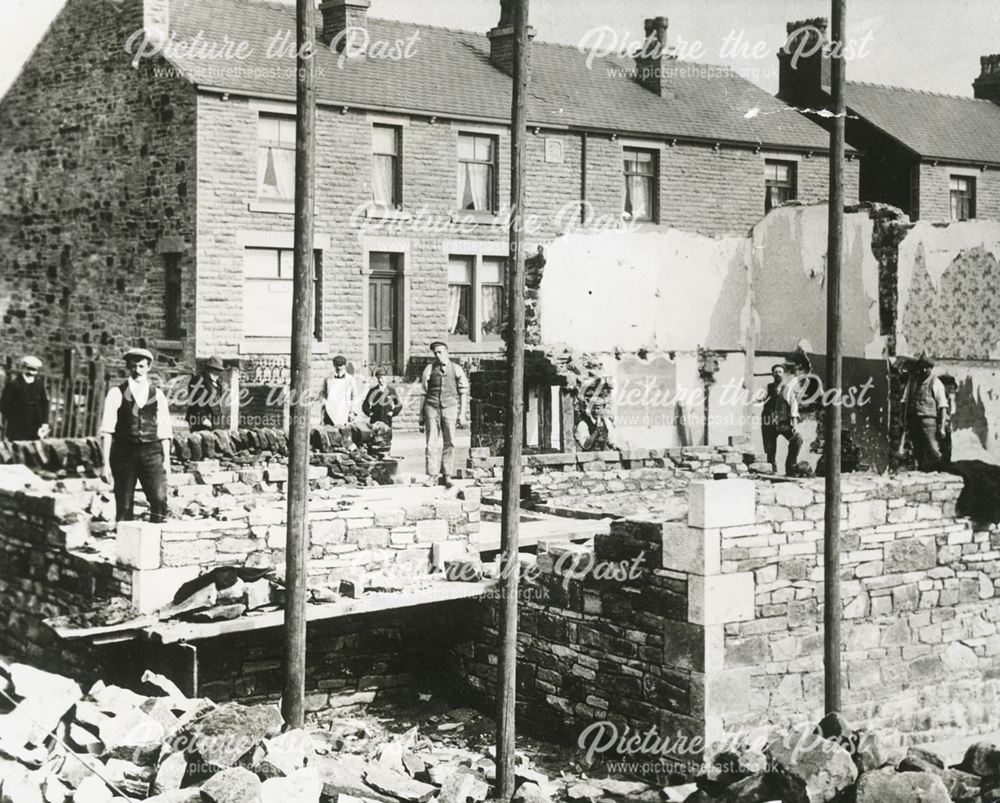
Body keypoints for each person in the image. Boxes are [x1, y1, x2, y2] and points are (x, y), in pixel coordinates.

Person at [99, 348, 172, 524]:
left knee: (159, 499)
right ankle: (126, 548)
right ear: (128, 367)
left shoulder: (158, 395)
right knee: (124, 506)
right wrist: (105, 464)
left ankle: (156, 543)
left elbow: (164, 430)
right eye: (133, 366)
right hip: (124, 453)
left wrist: (167, 460)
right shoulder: (116, 393)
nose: (137, 370)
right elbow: (107, 431)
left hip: (152, 453)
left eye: (141, 366)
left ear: (148, 367)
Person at [420, 341, 469, 488]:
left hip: (450, 407)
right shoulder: (429, 369)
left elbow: (463, 392)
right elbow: (423, 393)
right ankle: (432, 475)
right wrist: (420, 416)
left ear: (447, 352)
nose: (438, 355)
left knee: (450, 442)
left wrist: (462, 414)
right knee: (430, 443)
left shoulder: (456, 369)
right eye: (435, 353)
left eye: (440, 352)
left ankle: (447, 475)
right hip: (431, 407)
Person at [902, 353, 950, 470]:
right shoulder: (913, 381)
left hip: (928, 420)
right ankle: (920, 469)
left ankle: (941, 469)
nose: (923, 370)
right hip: (913, 418)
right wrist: (902, 419)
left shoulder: (936, 382)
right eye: (921, 367)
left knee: (933, 446)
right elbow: (905, 401)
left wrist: (942, 426)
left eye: (926, 367)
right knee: (916, 445)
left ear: (930, 368)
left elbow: (943, 406)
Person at [761, 363, 803, 476]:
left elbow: (793, 408)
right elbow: (757, 398)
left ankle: (790, 468)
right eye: (776, 372)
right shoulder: (767, 388)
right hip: (769, 424)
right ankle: (771, 472)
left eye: (780, 372)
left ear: (783, 374)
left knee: (797, 439)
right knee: (769, 450)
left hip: (783, 423)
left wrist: (794, 425)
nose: (778, 374)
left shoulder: (788, 389)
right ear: (772, 374)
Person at [0, 356, 50, 441]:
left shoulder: (39, 385)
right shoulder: (14, 385)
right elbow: (4, 405)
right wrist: (14, 417)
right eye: (29, 369)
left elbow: (44, 403)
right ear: (23, 368)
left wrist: (44, 422)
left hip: (35, 424)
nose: (31, 372)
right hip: (18, 425)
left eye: (34, 370)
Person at [322, 355, 358, 448]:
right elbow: (323, 393)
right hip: (330, 410)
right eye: (337, 365)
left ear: (344, 366)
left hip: (344, 410)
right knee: (330, 433)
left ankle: (345, 452)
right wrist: (324, 404)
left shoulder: (350, 379)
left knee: (344, 433)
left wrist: (353, 412)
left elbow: (354, 397)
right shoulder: (328, 379)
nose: (339, 367)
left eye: (341, 365)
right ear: (334, 365)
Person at [186, 355, 226, 432]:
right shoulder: (199, 380)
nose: (217, 374)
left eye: (219, 371)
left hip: (213, 420)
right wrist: (203, 418)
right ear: (208, 369)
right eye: (214, 370)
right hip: (199, 420)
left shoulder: (217, 383)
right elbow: (197, 401)